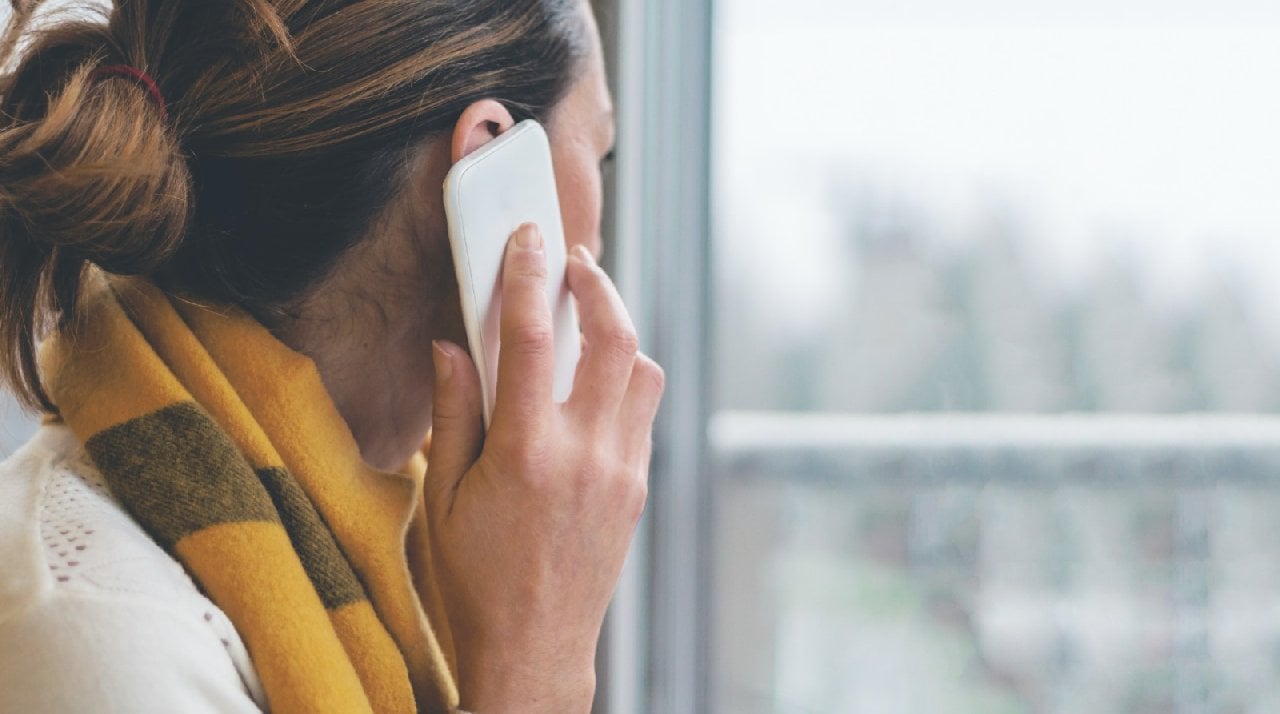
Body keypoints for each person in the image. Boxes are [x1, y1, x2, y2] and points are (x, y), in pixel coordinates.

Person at [0, 0, 663, 712]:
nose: (597, 238)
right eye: (602, 153)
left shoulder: (410, 538)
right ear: (491, 157)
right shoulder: (102, 636)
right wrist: (536, 670)